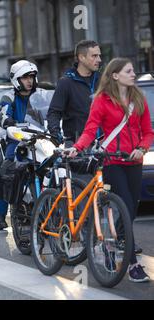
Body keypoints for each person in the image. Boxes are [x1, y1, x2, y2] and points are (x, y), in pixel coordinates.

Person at [67, 58, 154, 283]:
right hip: (112, 162)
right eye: (129, 71)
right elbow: (90, 130)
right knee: (124, 205)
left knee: (130, 212)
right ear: (115, 75)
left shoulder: (139, 98)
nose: (133, 74)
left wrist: (142, 148)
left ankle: (108, 244)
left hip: (134, 162)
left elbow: (148, 132)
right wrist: (77, 148)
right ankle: (133, 266)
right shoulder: (102, 101)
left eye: (133, 71)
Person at [0, 60, 39, 230]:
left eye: (32, 77)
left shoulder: (39, 95)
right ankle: (0, 214)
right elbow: (2, 115)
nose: (29, 81)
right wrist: (9, 122)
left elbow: (51, 111)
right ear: (16, 79)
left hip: (40, 139)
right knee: (5, 172)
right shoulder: (9, 97)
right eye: (25, 77)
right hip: (17, 140)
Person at [47, 40, 102, 147]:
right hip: (77, 147)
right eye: (94, 56)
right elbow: (54, 113)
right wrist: (56, 134)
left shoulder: (103, 80)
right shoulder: (66, 82)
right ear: (82, 57)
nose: (99, 60)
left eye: (99, 56)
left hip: (105, 145)